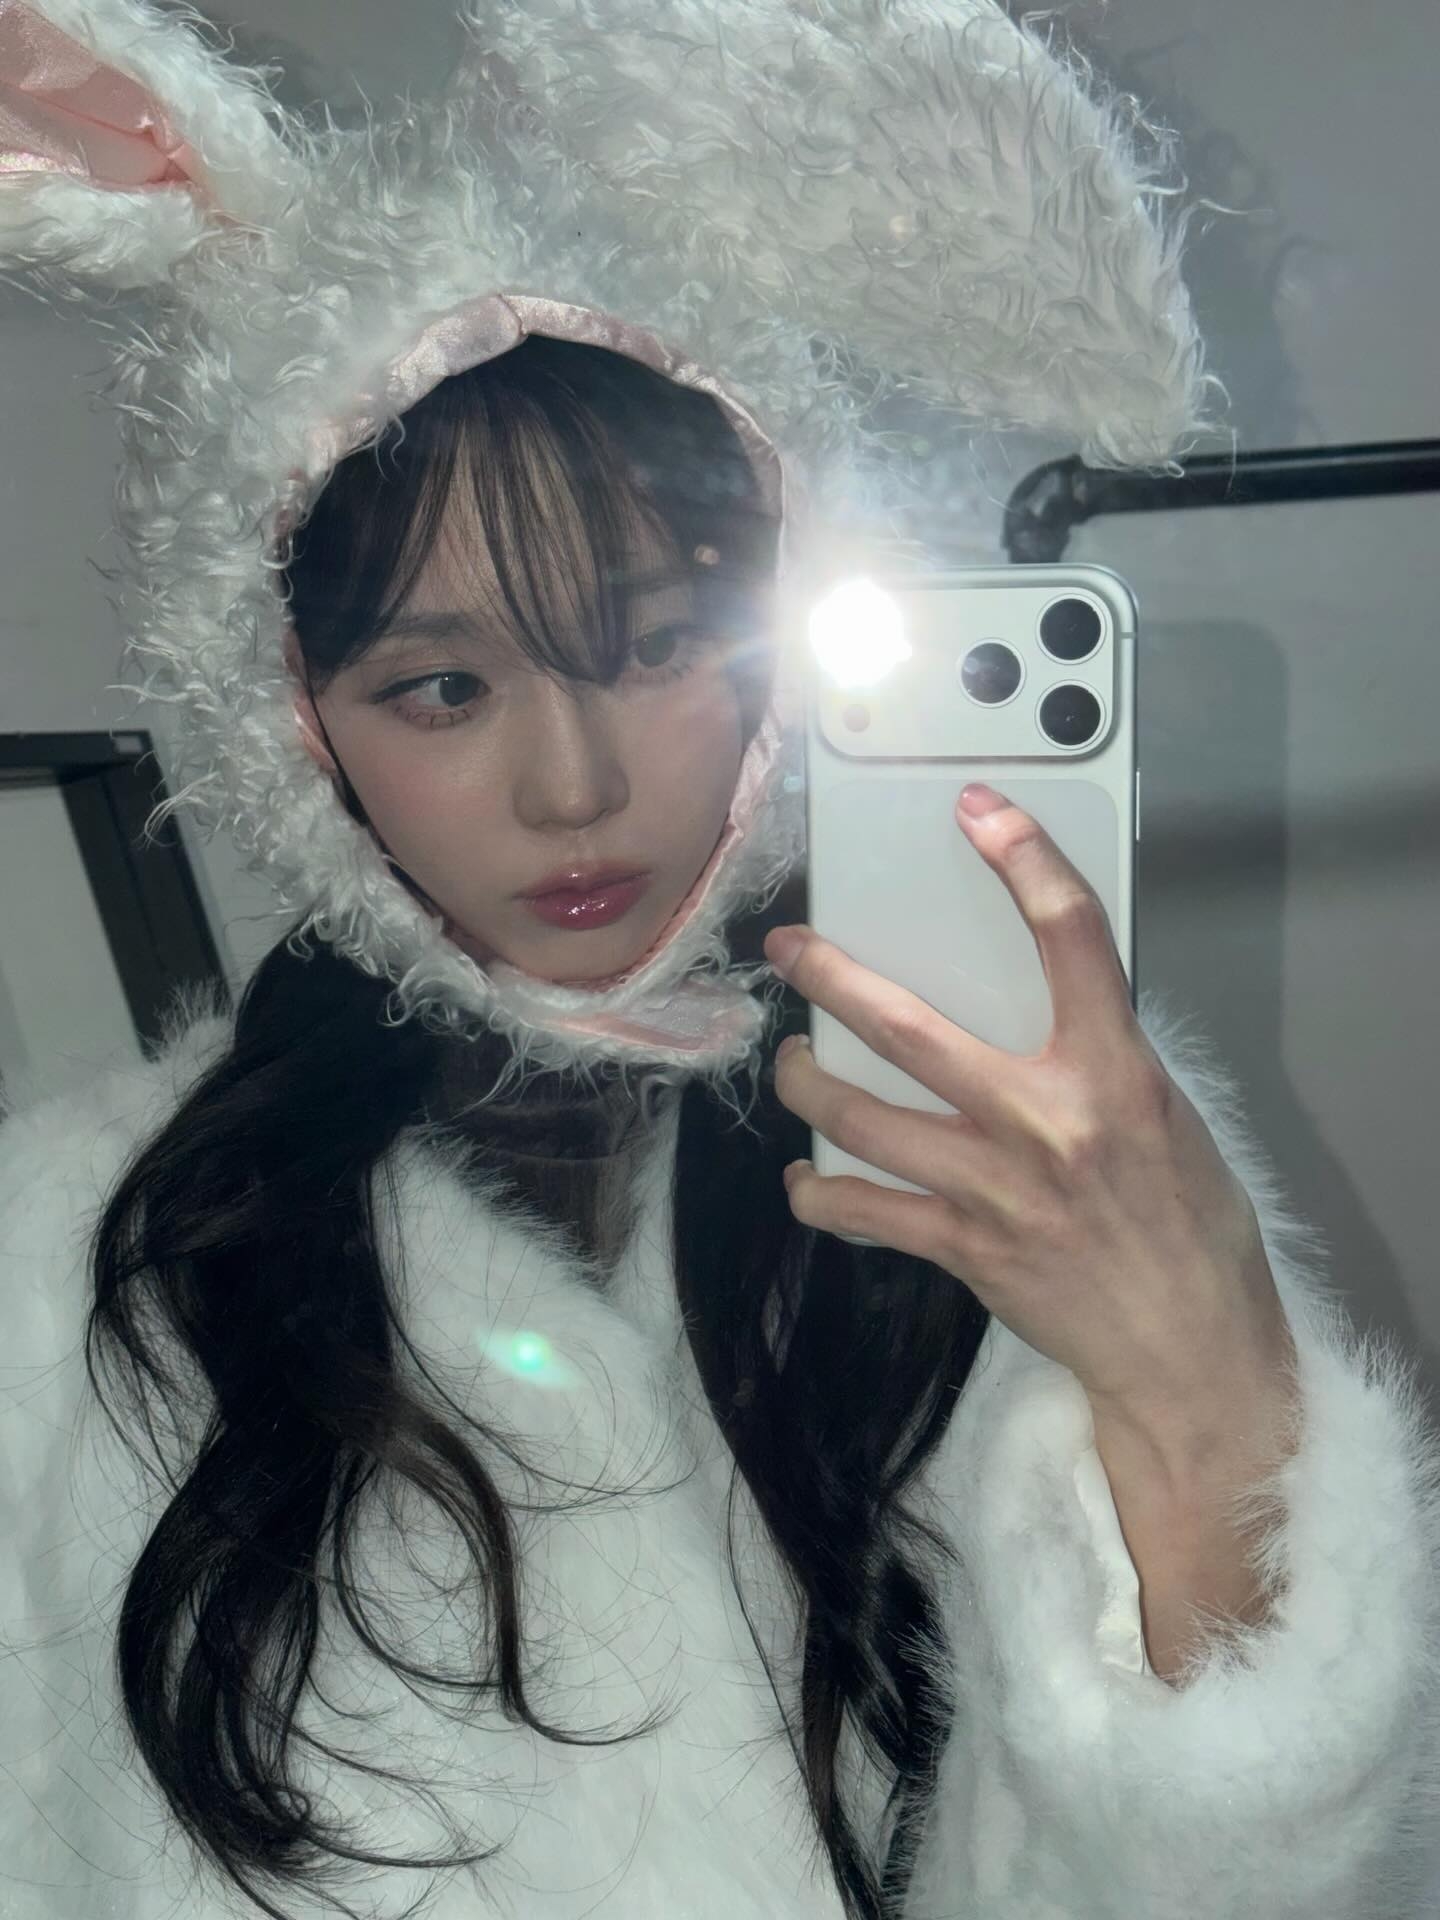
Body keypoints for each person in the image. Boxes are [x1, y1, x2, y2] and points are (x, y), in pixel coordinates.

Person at [1, 3, 1437, 1918]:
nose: (573, 785)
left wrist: (1203, 1389)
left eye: (662, 646)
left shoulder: (1016, 1146)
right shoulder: (67, 1265)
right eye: (441, 688)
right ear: (291, 719)